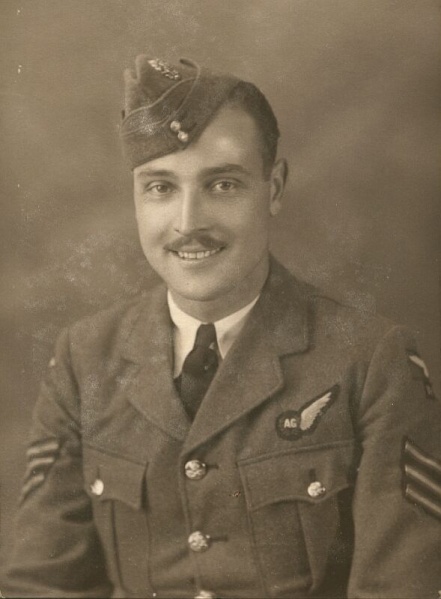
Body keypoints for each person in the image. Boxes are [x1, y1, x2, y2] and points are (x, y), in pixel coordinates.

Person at [2, 56, 441, 599]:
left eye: (223, 184)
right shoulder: (86, 358)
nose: (189, 223)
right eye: (160, 187)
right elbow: (42, 586)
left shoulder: (370, 361)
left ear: (274, 188)